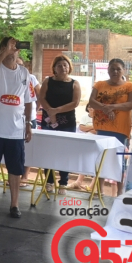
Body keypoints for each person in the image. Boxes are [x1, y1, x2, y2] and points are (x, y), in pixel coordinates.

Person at [0, 38, 35, 218]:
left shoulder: (25, 72)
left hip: (16, 131)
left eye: (16, 47)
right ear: (3, 48)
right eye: (10, 46)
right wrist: (5, 52)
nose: (14, 49)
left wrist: (27, 125)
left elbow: (28, 101)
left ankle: (14, 205)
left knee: (16, 169)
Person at [38, 55, 82, 189]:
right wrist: (50, 112)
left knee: (65, 151)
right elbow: (42, 97)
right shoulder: (48, 81)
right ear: (54, 68)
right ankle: (49, 181)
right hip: (49, 120)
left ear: (69, 67)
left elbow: (75, 103)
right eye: (59, 65)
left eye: (65, 65)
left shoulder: (74, 83)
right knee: (49, 151)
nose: (63, 67)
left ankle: (63, 181)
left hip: (67, 122)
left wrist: (56, 110)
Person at [88, 59, 132, 144]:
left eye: (118, 69)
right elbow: (92, 102)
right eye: (112, 69)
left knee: (118, 156)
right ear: (108, 70)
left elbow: (131, 104)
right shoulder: (99, 85)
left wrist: (111, 107)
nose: (115, 71)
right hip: (101, 129)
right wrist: (105, 109)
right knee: (102, 156)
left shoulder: (129, 86)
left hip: (121, 130)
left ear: (124, 70)